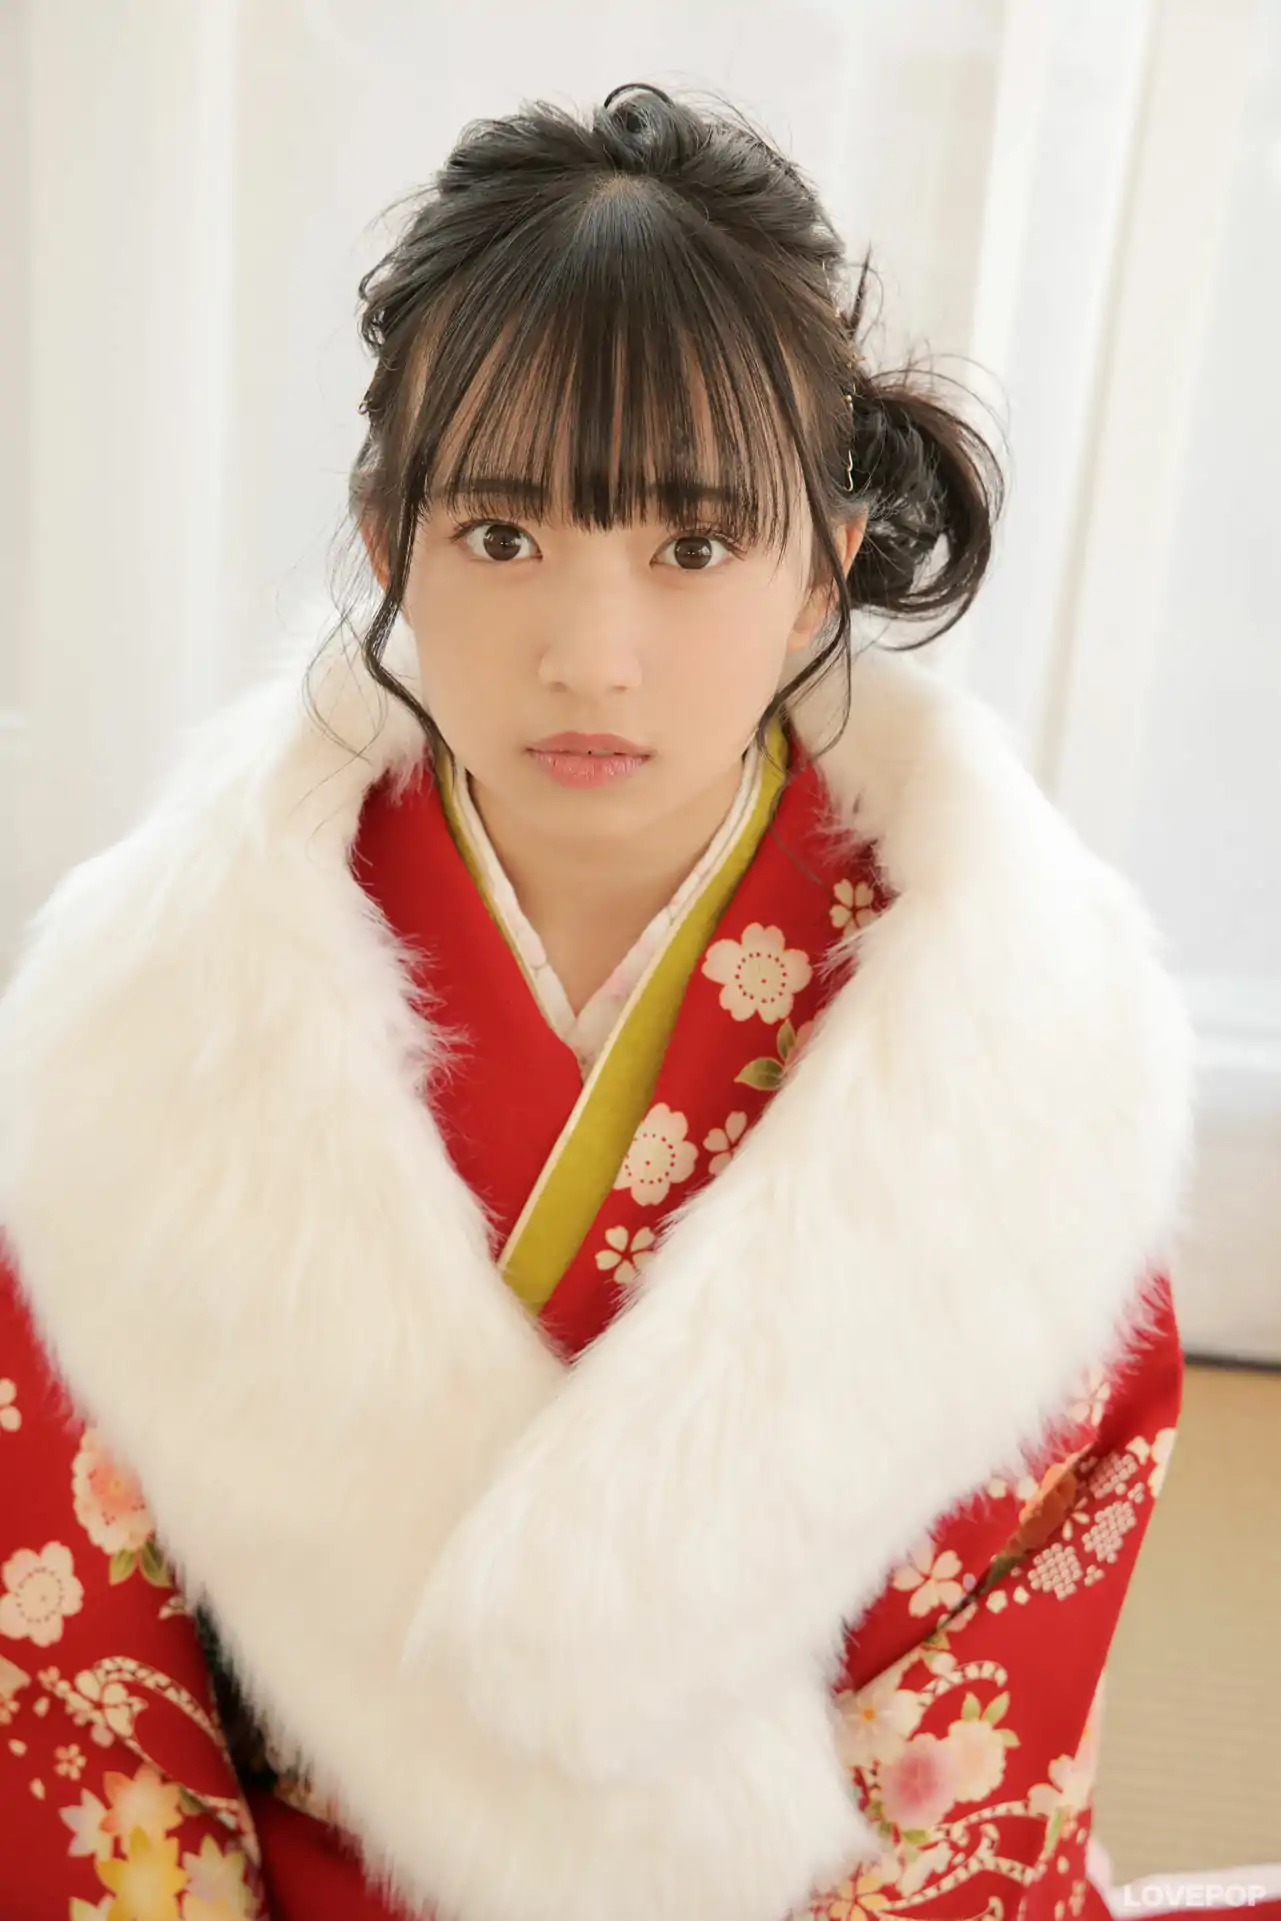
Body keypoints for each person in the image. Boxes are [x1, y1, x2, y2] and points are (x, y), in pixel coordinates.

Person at [0, 80, 1197, 1921]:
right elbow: (87, 1685)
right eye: (502, 537)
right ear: (387, 538)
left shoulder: (1016, 1059)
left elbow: (979, 1733)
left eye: (692, 548)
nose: (591, 652)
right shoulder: (151, 1026)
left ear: (823, 569)